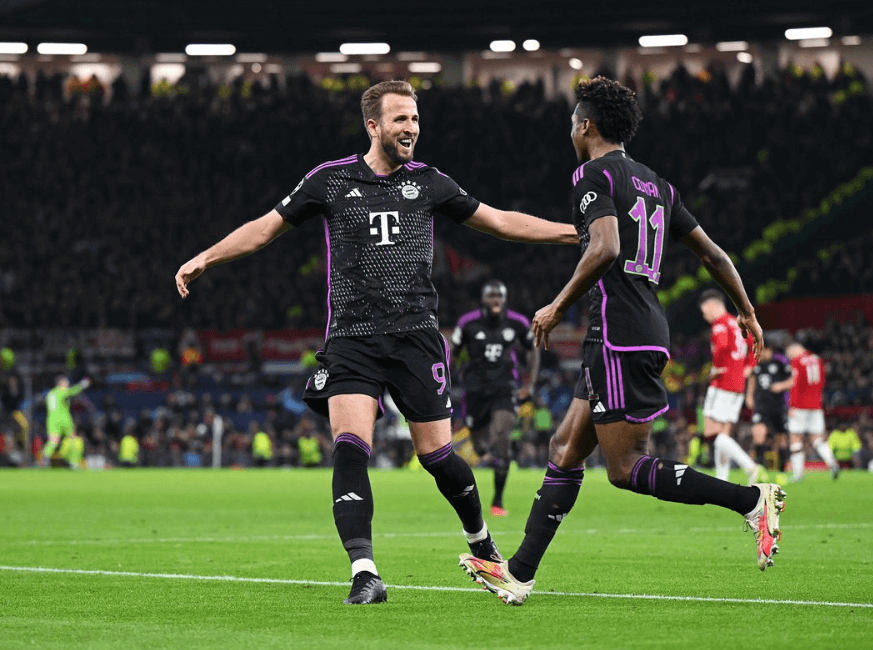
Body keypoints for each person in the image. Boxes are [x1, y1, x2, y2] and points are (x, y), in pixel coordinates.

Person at [174, 80, 578, 605]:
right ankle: (365, 572)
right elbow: (265, 227)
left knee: (438, 456)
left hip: (417, 339)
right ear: (373, 126)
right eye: (399, 119)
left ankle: (480, 540)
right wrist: (208, 255)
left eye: (414, 118)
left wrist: (575, 233)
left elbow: (499, 221)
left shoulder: (429, 182)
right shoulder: (331, 180)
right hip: (352, 339)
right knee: (350, 447)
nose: (410, 128)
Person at [459, 76, 785, 606]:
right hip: (637, 330)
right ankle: (518, 573)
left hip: (619, 333)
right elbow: (714, 256)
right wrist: (746, 311)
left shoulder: (592, 174)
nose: (571, 130)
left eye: (571, 122)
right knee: (563, 449)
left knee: (626, 469)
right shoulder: (659, 184)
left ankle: (753, 500)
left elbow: (605, 246)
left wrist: (557, 304)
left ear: (585, 125)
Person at [451, 280, 538, 516]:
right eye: (491, 296)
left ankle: (497, 501)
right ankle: (486, 447)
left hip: (504, 387)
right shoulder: (467, 323)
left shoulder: (517, 323)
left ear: (505, 299)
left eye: (499, 296)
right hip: (475, 390)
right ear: (483, 299)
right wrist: (448, 381)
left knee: (502, 435)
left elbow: (532, 349)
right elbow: (454, 353)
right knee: (479, 449)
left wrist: (529, 383)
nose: (495, 300)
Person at [698, 289, 763, 483]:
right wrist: (748, 368)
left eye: (704, 311)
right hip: (738, 384)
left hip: (722, 382)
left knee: (710, 433)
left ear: (712, 305)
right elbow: (754, 347)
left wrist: (716, 368)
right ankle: (722, 480)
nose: (705, 316)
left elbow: (722, 346)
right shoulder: (738, 323)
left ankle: (751, 467)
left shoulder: (720, 324)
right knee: (723, 434)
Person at [772, 342, 839, 481]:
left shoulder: (797, 361)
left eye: (789, 354)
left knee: (796, 438)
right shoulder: (817, 360)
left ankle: (798, 475)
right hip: (816, 406)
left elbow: (795, 383)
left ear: (795, 350)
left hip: (799, 406)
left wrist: (790, 405)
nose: (789, 357)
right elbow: (822, 382)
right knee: (817, 438)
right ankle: (831, 462)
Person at [745, 338, 792, 473]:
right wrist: (749, 396)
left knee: (781, 438)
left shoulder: (780, 362)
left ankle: (782, 470)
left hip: (778, 406)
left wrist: (781, 386)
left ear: (769, 349)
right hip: (761, 406)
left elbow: (793, 379)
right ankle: (760, 469)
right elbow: (752, 379)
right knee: (758, 434)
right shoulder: (756, 363)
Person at [42, 375, 90, 467]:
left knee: (53, 441)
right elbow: (72, 392)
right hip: (64, 418)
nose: (68, 384)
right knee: (73, 439)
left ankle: (45, 457)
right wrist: (83, 384)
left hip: (52, 419)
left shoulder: (51, 393)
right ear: (60, 383)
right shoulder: (61, 391)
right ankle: (73, 462)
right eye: (66, 382)